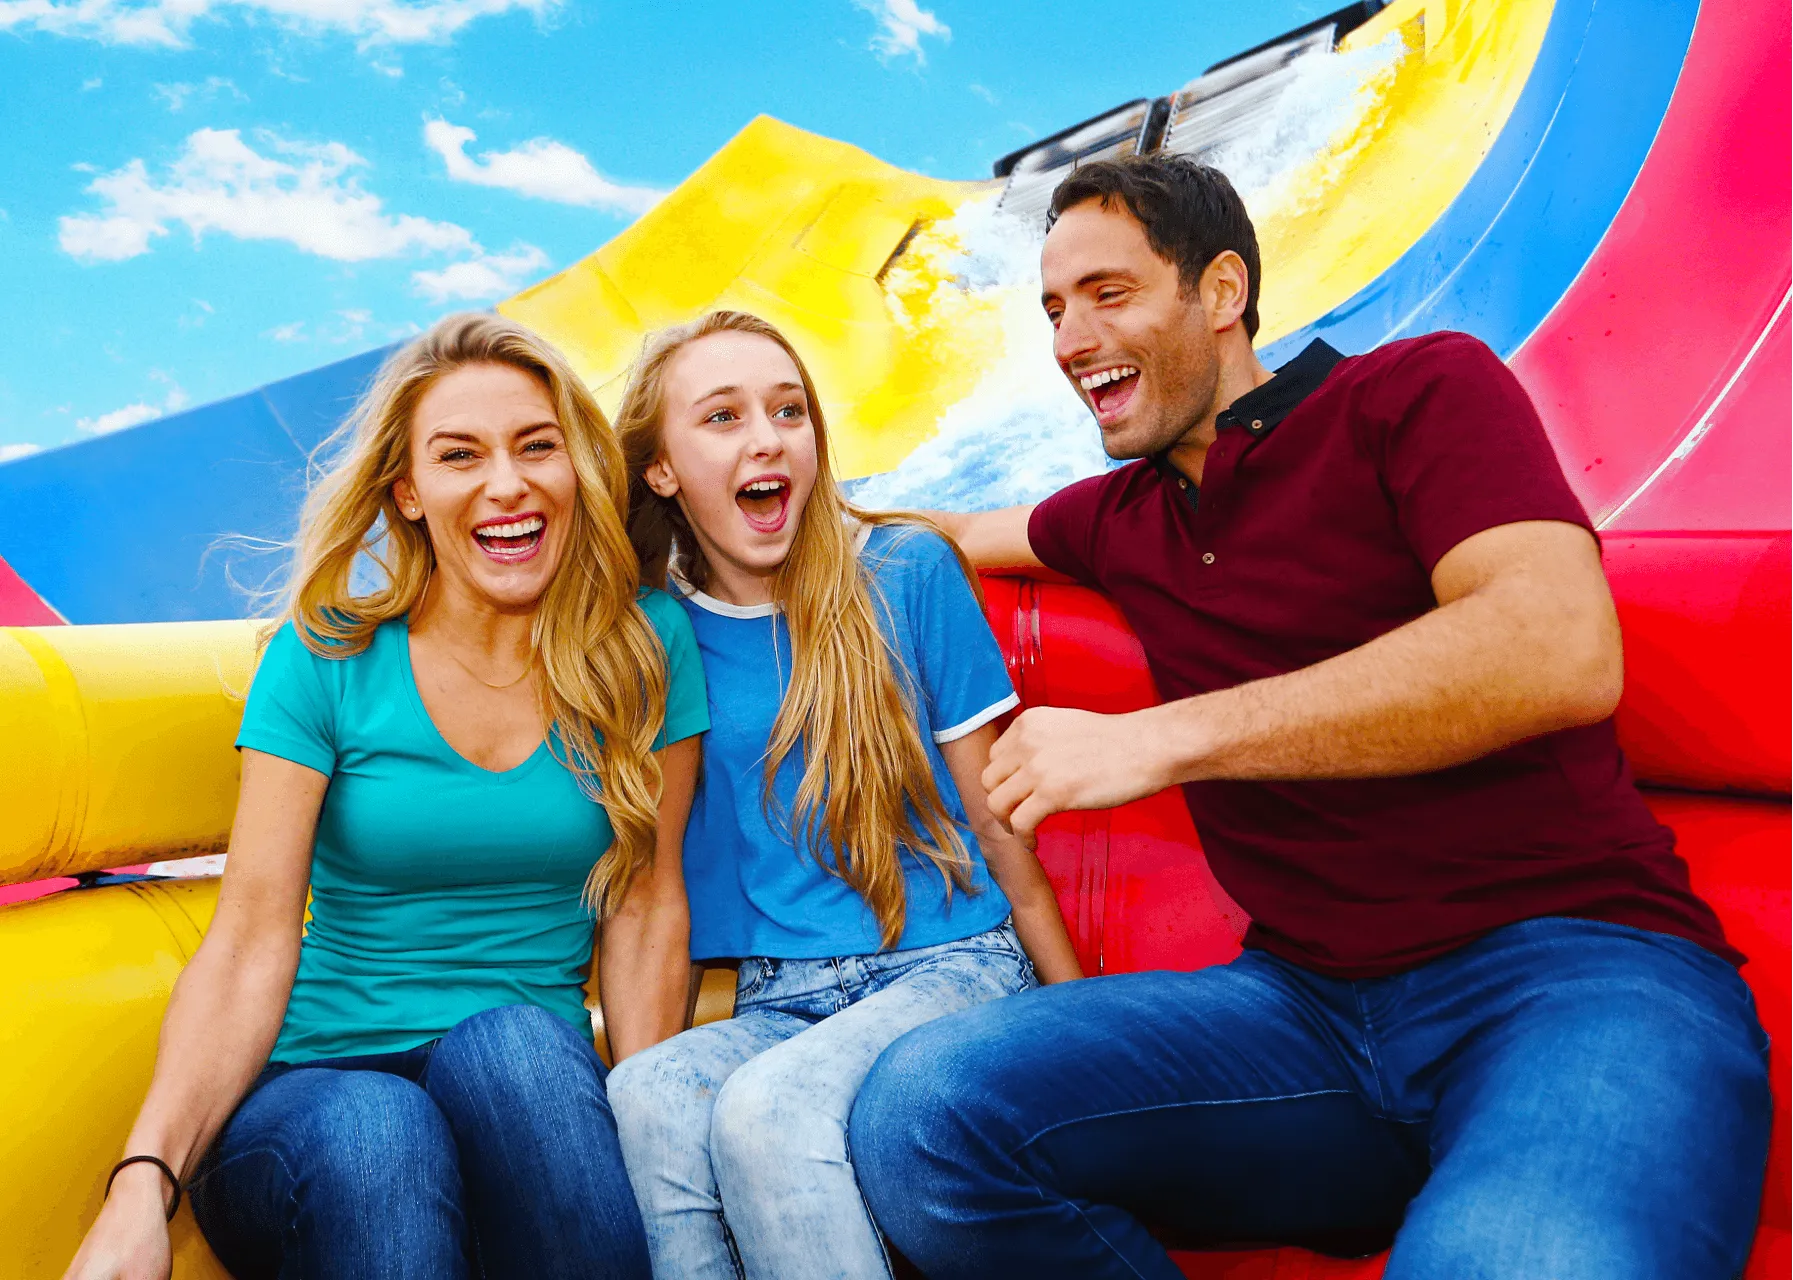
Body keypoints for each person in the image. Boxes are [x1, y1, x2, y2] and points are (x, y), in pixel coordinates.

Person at [848, 157, 1772, 1279]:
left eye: (1107, 292)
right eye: (1052, 308)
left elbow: (1555, 645)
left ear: (1221, 289)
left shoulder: (1414, 393)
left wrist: (1158, 736)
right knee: (922, 1117)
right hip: (1309, 1016)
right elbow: (929, 531)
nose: (1068, 337)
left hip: (1573, 975)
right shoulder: (1118, 514)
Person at [63, 313, 708, 1280]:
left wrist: (647, 1151)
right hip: (313, 1103)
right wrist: (140, 1185)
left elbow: (647, 906)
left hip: (521, 1105)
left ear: (576, 468)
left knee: (519, 1047)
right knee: (380, 1127)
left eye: (537, 447)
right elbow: (248, 940)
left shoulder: (644, 645)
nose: (507, 484)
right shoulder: (329, 653)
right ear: (407, 492)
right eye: (459, 456)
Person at [602, 310, 1082, 1280]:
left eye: (787, 409)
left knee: (765, 1108)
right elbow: (653, 888)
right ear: (661, 469)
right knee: (647, 1090)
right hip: (780, 997)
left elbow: (994, 822)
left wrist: (1080, 1021)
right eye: (723, 417)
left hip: (951, 966)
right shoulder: (655, 637)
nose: (766, 436)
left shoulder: (905, 573)